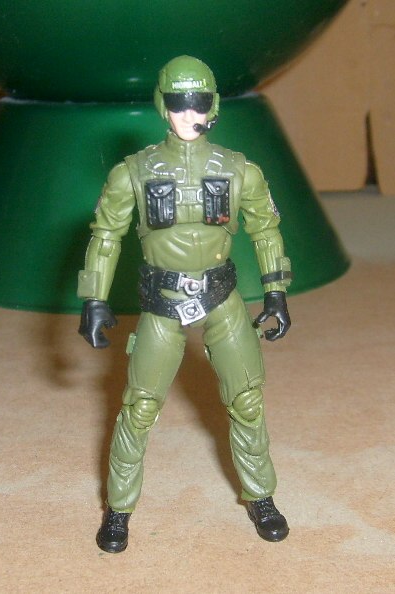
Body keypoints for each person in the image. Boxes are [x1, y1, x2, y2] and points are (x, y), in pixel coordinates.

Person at [78, 56, 292, 553]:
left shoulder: (240, 170)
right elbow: (105, 235)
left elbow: (265, 229)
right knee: (139, 405)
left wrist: (276, 290)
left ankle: (261, 496)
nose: (188, 115)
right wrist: (94, 297)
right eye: (178, 104)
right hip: (162, 301)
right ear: (163, 105)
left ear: (213, 106)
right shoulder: (133, 172)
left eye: (197, 103)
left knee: (247, 399)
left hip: (221, 296)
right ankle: (119, 508)